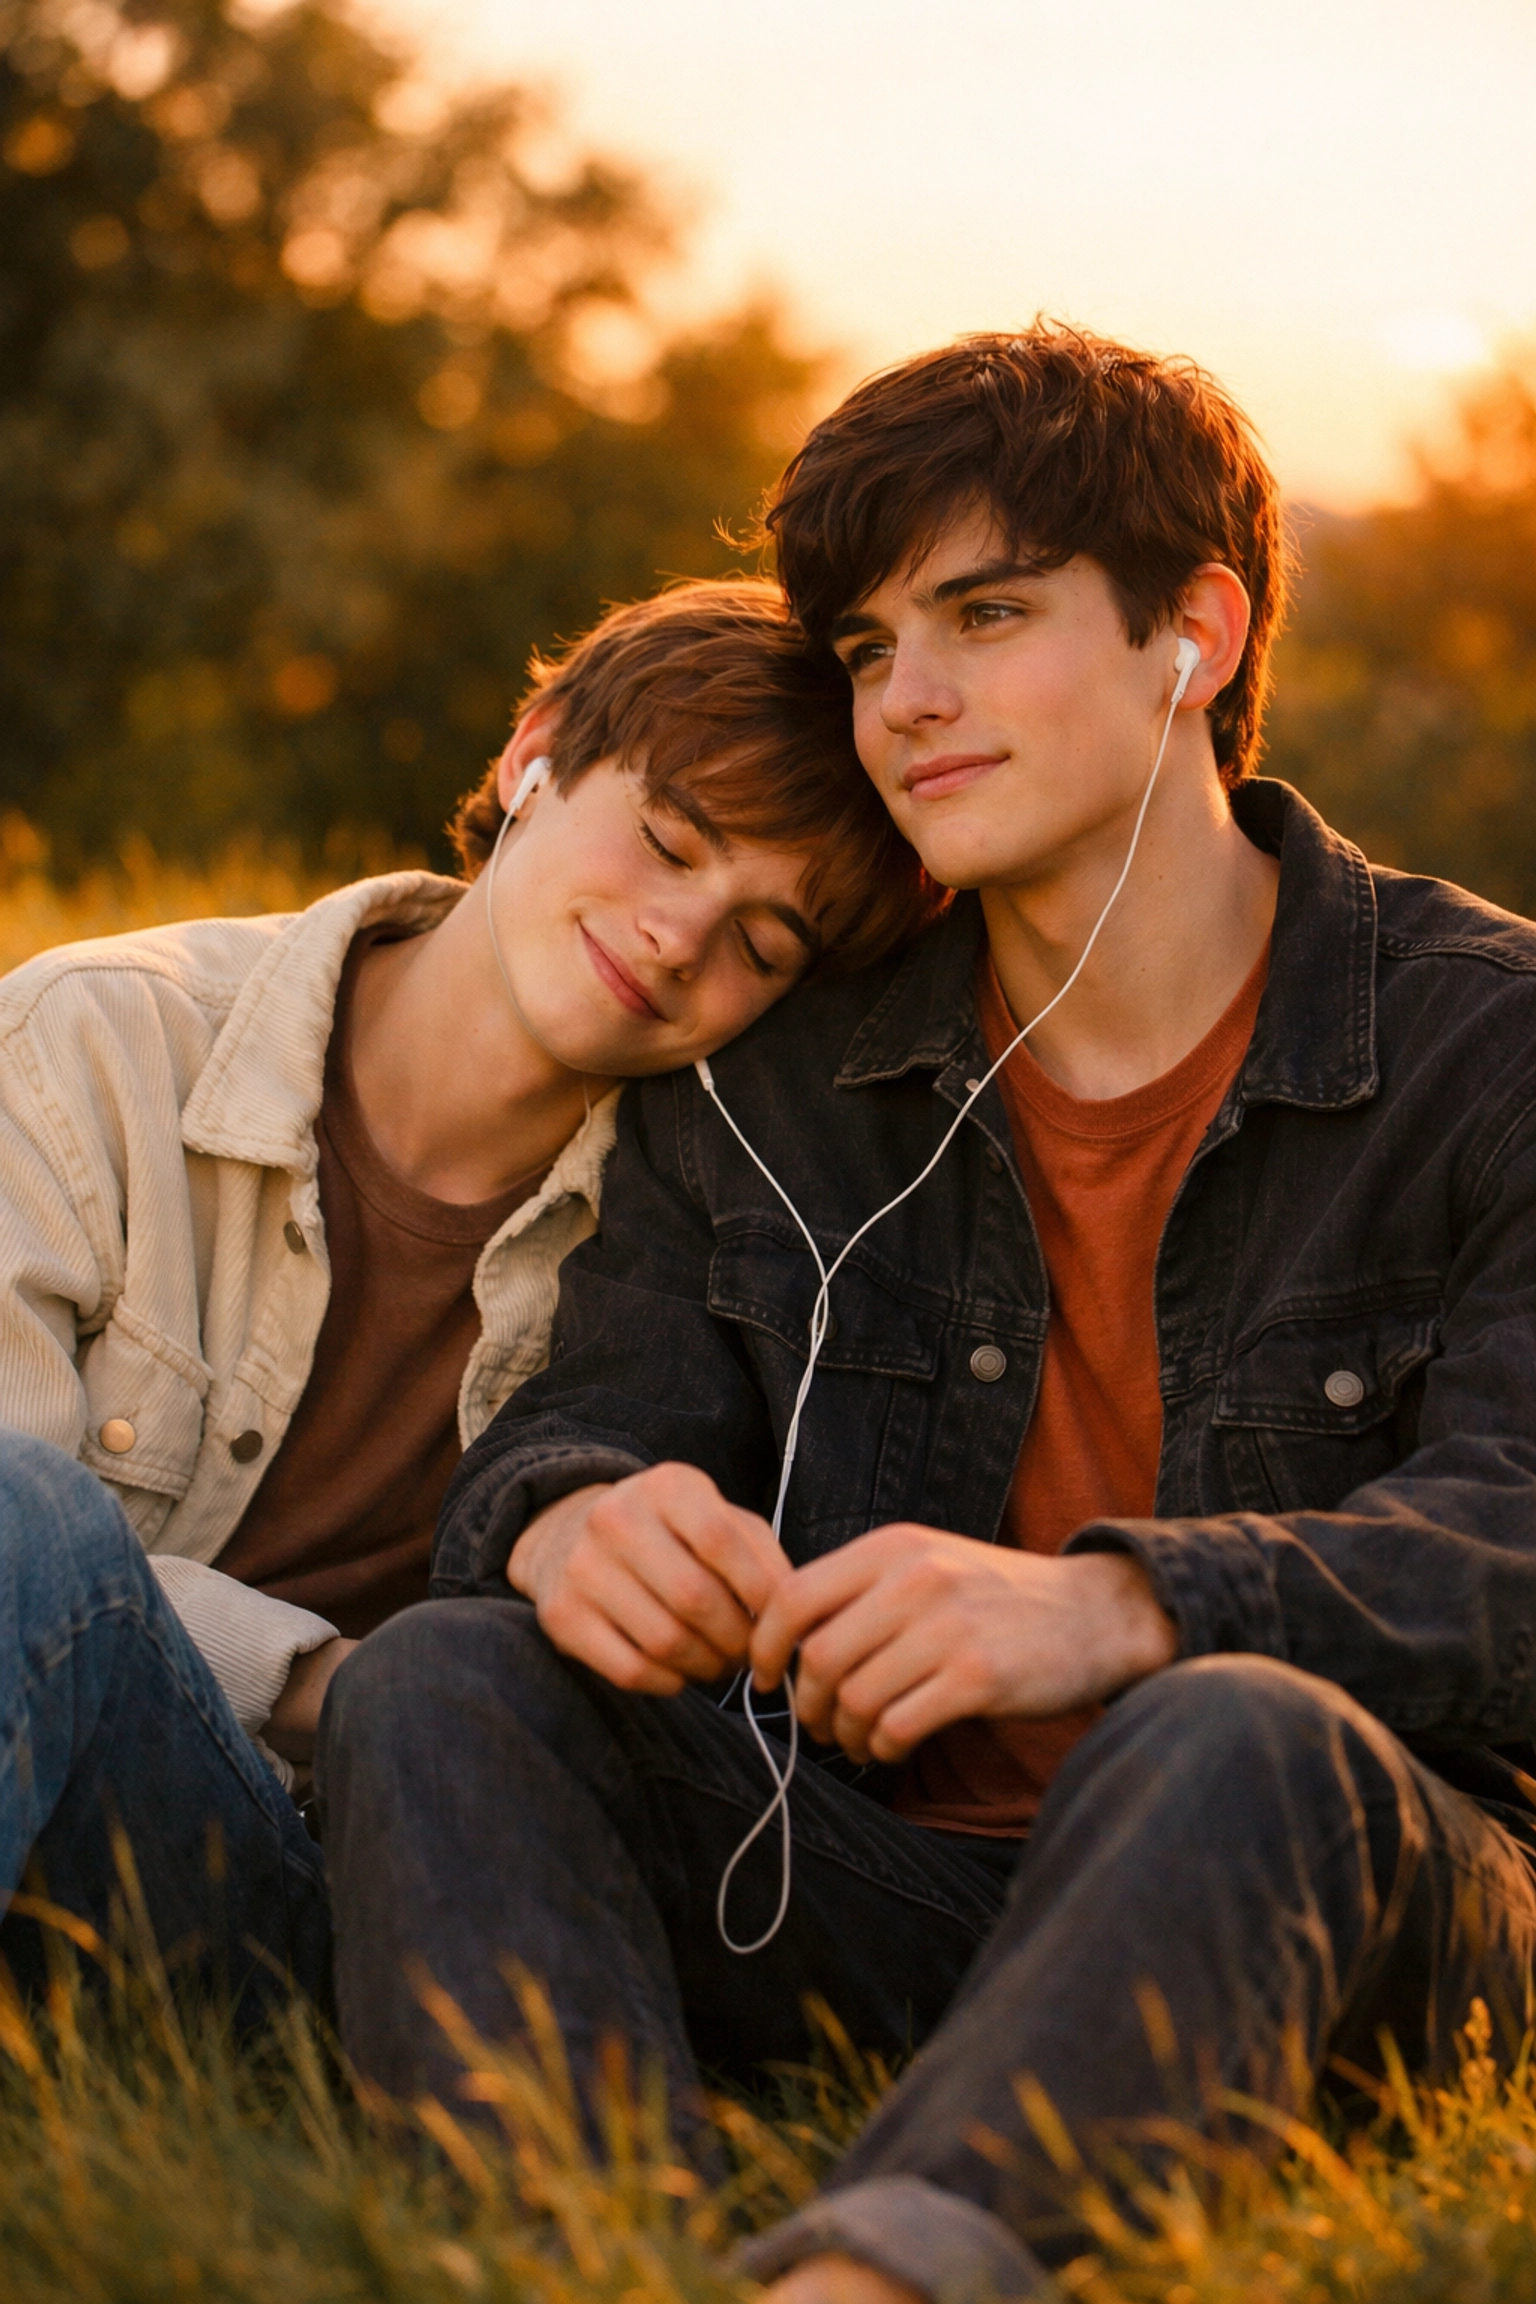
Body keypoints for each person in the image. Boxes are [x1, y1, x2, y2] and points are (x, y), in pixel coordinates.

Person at [319, 326, 1536, 2300]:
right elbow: (587, 1410)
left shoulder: (1490, 1045)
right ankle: (574, 2262)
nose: (909, 701)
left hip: (1337, 1901)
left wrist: (1123, 1610)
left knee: (1233, 1728)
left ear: (1195, 634)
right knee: (443, 1675)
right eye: (871, 646)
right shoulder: (781, 1068)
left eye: (986, 614)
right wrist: (575, 1515)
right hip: (858, 1873)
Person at [0, 577, 935, 2019]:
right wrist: (334, 1681)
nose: (680, 935)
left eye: (762, 945)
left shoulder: (698, 1247)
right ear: (533, 757)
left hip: (325, 1881)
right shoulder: (97, 1043)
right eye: (669, 841)